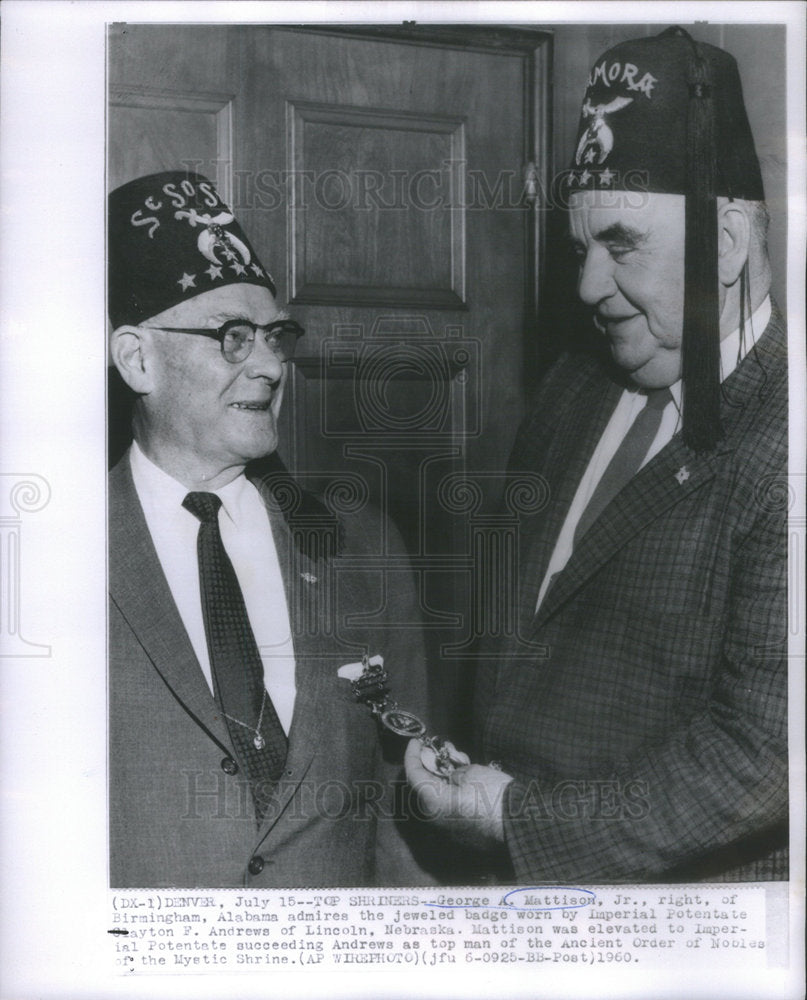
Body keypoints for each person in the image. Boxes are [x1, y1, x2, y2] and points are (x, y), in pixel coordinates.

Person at [405, 27, 788, 882]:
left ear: (724, 243)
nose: (586, 287)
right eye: (581, 249)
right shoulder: (577, 386)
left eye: (622, 244)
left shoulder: (784, 450)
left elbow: (759, 761)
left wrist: (510, 818)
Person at [108, 170, 433, 887]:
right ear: (137, 358)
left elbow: (406, 812)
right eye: (232, 338)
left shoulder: (361, 547)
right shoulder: (48, 556)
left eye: (273, 336)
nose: (268, 365)